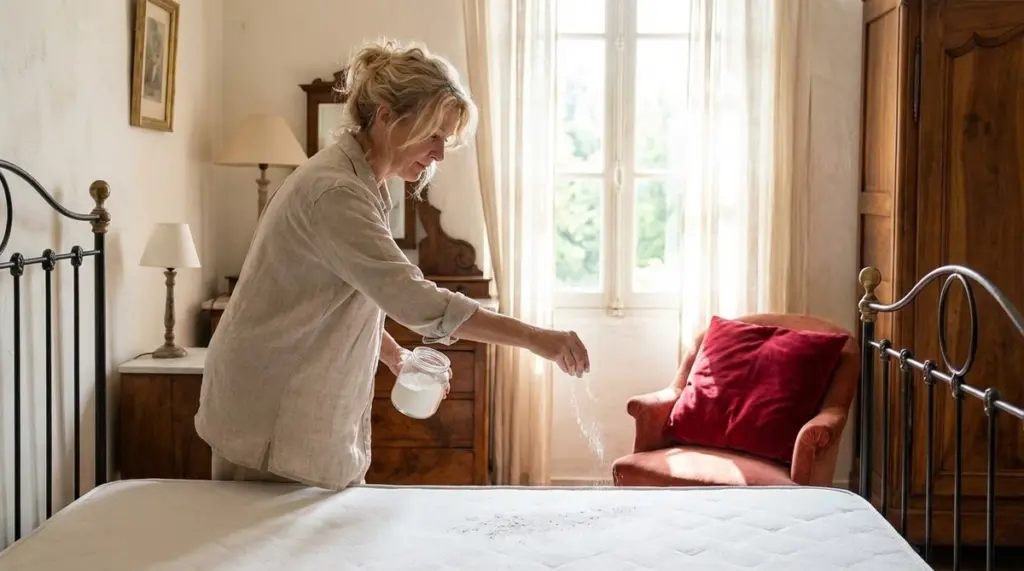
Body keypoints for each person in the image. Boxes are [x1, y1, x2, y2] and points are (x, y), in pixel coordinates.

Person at [194, 39, 590, 491]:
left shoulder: (364, 185)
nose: (440, 153)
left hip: (288, 394)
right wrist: (540, 340)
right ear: (385, 117)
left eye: (447, 139)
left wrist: (394, 355)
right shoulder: (337, 193)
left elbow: (339, 294)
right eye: (433, 135)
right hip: (272, 405)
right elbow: (415, 300)